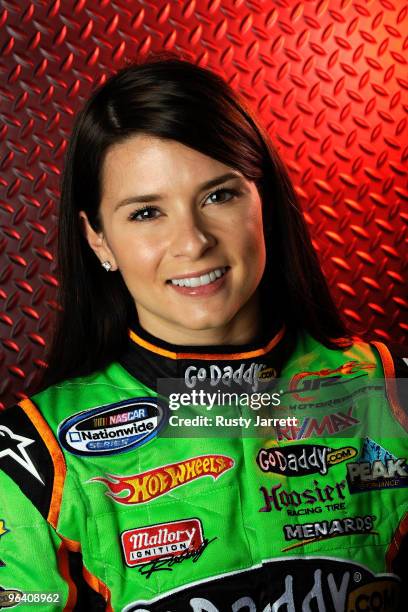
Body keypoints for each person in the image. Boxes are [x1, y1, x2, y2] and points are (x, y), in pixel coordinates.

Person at [0, 57, 406, 611]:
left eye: (219, 196)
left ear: (264, 200)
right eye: (146, 213)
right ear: (97, 238)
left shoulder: (386, 390)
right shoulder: (33, 459)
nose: (192, 242)